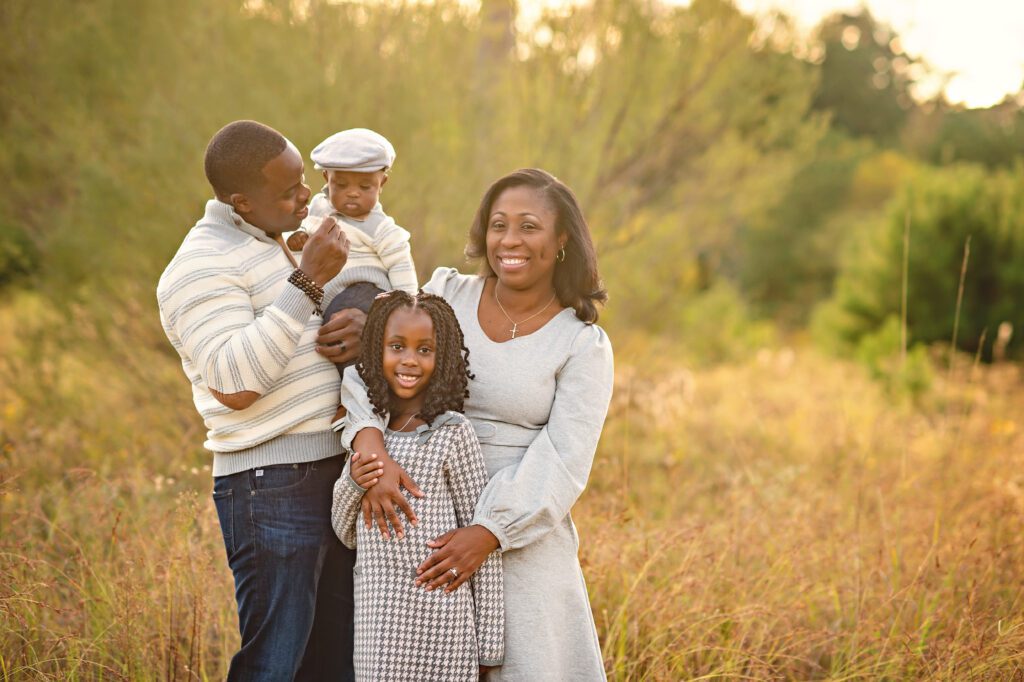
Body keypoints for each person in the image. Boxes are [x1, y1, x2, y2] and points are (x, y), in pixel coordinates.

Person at [338, 168, 614, 680]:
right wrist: (370, 443)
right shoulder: (446, 296)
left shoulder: (580, 343)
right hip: (425, 532)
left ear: (561, 240)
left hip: (521, 535)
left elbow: (564, 458)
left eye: (529, 226)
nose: (509, 240)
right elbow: (374, 363)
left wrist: (489, 531)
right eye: (498, 224)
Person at [156, 120, 365, 680]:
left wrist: (359, 326)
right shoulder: (198, 267)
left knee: (335, 664)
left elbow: (297, 339)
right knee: (275, 665)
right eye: (290, 191)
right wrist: (309, 282)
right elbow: (236, 382)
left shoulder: (273, 239)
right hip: (271, 485)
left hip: (332, 474)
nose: (308, 198)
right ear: (241, 201)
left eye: (304, 183)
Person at [331, 290, 504, 680]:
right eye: (397, 347)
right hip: (379, 636)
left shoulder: (453, 434)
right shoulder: (368, 437)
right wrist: (355, 483)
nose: (409, 360)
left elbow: (482, 545)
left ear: (441, 359)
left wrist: (490, 648)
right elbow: (346, 535)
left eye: (424, 350)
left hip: (447, 631)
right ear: (377, 350)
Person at [287, 128, 417, 376]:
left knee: (342, 331)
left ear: (382, 183)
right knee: (322, 336)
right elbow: (302, 231)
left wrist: (404, 312)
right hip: (327, 295)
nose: (353, 192)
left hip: (363, 295)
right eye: (341, 184)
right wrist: (299, 237)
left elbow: (402, 267)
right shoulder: (318, 207)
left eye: (365, 186)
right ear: (326, 178)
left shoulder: (380, 227)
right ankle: (344, 392)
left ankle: (359, 392)